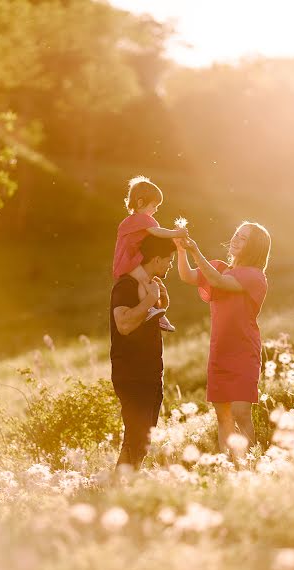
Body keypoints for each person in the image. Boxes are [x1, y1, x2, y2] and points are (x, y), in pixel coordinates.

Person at [175, 221, 271, 455]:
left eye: (243, 238)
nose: (236, 239)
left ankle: (248, 464)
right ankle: (228, 467)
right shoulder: (217, 267)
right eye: (237, 234)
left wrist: (196, 251)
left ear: (254, 247)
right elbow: (187, 275)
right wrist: (180, 249)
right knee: (223, 416)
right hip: (219, 352)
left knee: (240, 412)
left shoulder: (255, 277)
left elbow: (219, 283)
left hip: (243, 352)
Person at [110, 235, 176, 469]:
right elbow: (124, 324)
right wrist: (150, 300)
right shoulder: (126, 285)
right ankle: (119, 487)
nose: (170, 265)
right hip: (132, 373)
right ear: (156, 259)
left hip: (150, 373)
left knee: (144, 439)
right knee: (136, 438)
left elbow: (146, 322)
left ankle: (127, 483)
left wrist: (161, 305)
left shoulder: (151, 286)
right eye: (169, 260)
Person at [112, 175, 187, 333]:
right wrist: (176, 233)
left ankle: (153, 310)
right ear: (140, 203)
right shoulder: (142, 220)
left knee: (144, 281)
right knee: (145, 281)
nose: (156, 209)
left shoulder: (130, 221)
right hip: (129, 261)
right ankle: (150, 309)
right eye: (154, 205)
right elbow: (158, 232)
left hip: (126, 259)